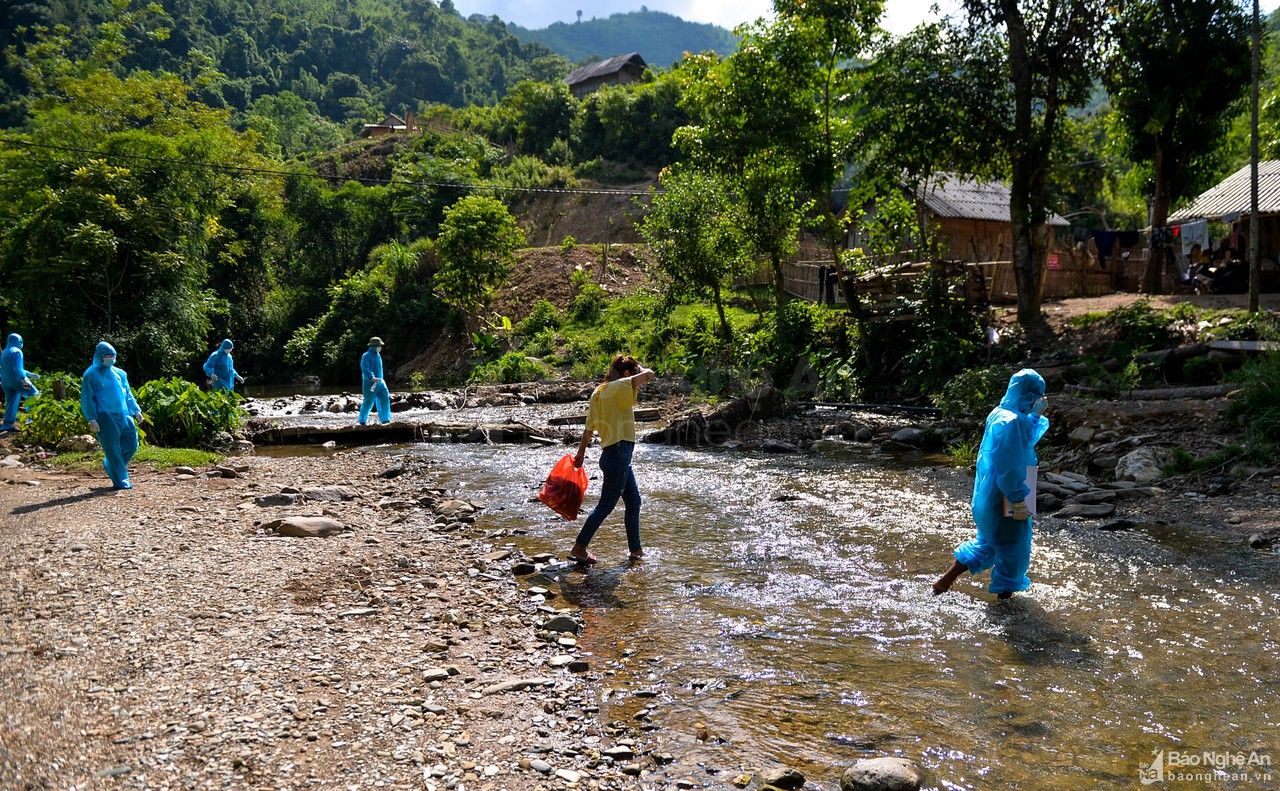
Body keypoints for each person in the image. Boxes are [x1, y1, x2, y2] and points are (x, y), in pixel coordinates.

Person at [933, 369, 1049, 600]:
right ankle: (1006, 611)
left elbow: (1023, 442)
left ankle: (943, 583)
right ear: (1030, 393)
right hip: (1009, 492)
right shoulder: (1013, 421)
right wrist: (1018, 497)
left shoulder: (1000, 414)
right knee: (1014, 549)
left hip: (990, 493)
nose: (1040, 399)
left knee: (989, 542)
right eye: (1038, 394)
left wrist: (1035, 417)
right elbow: (1010, 463)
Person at [568, 355, 656, 565]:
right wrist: (639, 367)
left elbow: (589, 427)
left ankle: (635, 550)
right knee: (606, 505)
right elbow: (650, 374)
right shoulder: (621, 385)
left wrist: (580, 453)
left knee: (634, 502)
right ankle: (580, 546)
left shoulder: (598, 392)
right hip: (620, 453)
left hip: (611, 454)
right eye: (633, 371)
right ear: (626, 374)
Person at [80, 342, 143, 490]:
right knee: (113, 449)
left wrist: (135, 410)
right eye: (108, 356)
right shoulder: (91, 375)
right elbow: (87, 398)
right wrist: (91, 418)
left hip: (123, 414)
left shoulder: (120, 373)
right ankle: (121, 479)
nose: (111, 359)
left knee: (132, 443)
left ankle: (110, 465)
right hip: (104, 417)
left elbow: (128, 394)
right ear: (100, 357)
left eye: (113, 356)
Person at [1, 333, 39, 432]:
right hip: (18, 380)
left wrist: (29, 373)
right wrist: (25, 380)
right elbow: (18, 370)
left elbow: (9, 369)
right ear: (16, 341)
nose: (22, 343)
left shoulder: (4, 352)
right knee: (34, 395)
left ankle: (7, 424)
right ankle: (31, 420)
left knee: (12, 400)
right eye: (20, 340)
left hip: (6, 382)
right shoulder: (17, 351)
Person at [358, 337, 392, 425]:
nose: (380, 347)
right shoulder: (366, 356)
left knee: (385, 398)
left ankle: (385, 419)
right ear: (374, 346)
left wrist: (380, 379)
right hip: (370, 383)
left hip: (380, 382)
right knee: (369, 401)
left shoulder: (378, 355)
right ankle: (362, 420)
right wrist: (372, 377)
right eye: (379, 346)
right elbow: (365, 368)